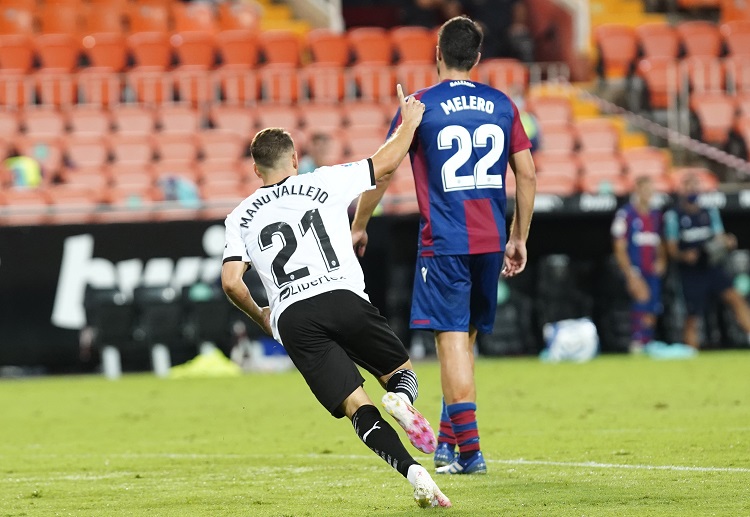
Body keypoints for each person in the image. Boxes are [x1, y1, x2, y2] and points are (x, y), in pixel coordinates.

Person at [221, 85, 451, 508]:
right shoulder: (323, 180)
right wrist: (411, 120)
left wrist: (263, 318)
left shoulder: (240, 216)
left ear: (256, 170)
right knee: (402, 373)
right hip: (341, 296)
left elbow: (232, 281)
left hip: (292, 317)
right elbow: (384, 164)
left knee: (355, 406)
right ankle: (402, 399)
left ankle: (413, 473)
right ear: (294, 158)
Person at [351, 16, 537, 475]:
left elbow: (385, 169)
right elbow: (528, 174)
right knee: (464, 341)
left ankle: (471, 453)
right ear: (476, 58)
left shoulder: (419, 107)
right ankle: (448, 446)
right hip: (491, 239)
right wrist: (519, 237)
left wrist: (359, 223)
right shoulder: (501, 104)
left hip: (446, 241)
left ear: (437, 55)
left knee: (451, 341)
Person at [664, 171, 750, 349]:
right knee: (692, 315)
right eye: (688, 186)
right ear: (681, 190)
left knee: (736, 298)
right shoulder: (674, 215)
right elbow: (671, 249)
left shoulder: (709, 212)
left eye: (695, 186)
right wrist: (684, 255)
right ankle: (691, 351)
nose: (692, 190)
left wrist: (727, 241)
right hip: (691, 271)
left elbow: (719, 237)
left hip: (712, 266)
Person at [611, 176, 666, 354]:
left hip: (652, 269)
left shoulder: (656, 215)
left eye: (651, 190)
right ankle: (637, 341)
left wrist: (661, 260)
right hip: (636, 268)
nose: (648, 194)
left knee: (653, 306)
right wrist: (629, 273)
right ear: (637, 191)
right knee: (641, 300)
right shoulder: (625, 214)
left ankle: (647, 341)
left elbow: (660, 242)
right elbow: (619, 246)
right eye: (645, 189)